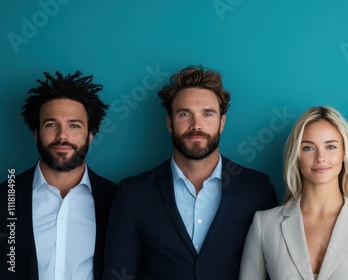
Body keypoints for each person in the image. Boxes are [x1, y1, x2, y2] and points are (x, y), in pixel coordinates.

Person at [102, 65, 278, 280]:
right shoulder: (133, 193)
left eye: (207, 114)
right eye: (185, 114)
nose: (196, 125)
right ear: (169, 122)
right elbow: (118, 274)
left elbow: (271, 271)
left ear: (221, 122)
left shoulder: (257, 189)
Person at [239, 106, 348, 280]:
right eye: (308, 148)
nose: (320, 157)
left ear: (344, 153)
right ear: (296, 155)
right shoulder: (264, 225)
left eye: (331, 146)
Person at [0, 71, 117, 280]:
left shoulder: (118, 200)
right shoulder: (4, 196)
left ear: (90, 134)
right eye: (51, 125)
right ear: (36, 132)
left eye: (74, 125)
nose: (62, 135)